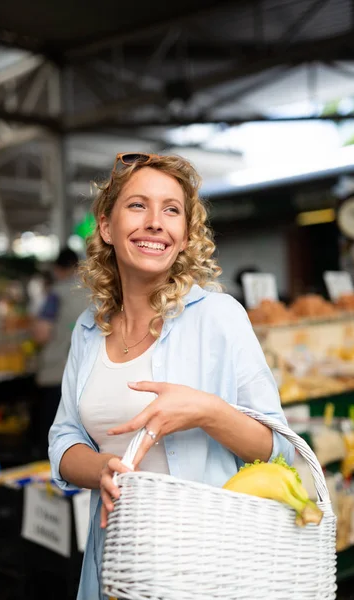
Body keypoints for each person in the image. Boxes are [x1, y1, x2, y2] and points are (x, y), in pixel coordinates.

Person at [48, 153, 294, 600]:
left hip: (207, 572)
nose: (156, 222)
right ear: (106, 226)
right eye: (138, 205)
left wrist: (207, 411)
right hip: (116, 572)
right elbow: (64, 439)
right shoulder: (88, 329)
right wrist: (101, 467)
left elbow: (279, 450)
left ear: (184, 237)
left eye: (172, 209)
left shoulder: (219, 317)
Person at [33, 247, 87, 458]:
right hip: (86, 373)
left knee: (53, 437)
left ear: (58, 268)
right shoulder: (95, 290)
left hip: (56, 373)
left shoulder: (56, 294)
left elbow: (42, 333)